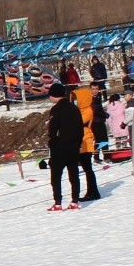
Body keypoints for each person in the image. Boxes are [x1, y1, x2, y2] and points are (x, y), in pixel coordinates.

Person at [45, 82, 84, 210]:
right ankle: (75, 201)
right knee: (74, 174)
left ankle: (57, 202)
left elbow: (52, 130)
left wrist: (52, 142)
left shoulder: (55, 110)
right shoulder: (74, 108)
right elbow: (80, 128)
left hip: (59, 147)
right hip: (73, 146)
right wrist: (78, 143)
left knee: (56, 175)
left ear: (54, 95)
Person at [71, 84, 103, 201]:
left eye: (76, 99)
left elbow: (78, 122)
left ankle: (93, 191)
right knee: (86, 168)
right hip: (81, 141)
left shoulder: (87, 110)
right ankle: (92, 191)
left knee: (88, 168)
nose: (74, 102)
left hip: (86, 141)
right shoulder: (80, 110)